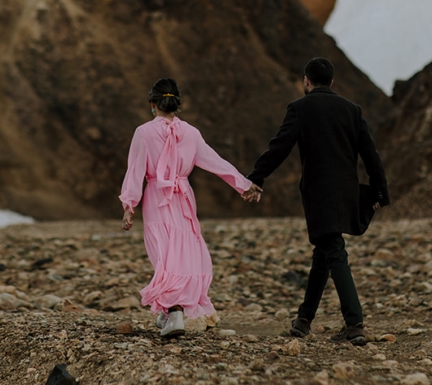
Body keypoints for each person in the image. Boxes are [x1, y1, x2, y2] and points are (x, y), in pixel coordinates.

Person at [247, 57, 388, 345]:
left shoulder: (299, 108)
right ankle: (303, 320)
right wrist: (379, 192)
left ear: (306, 81)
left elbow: (279, 147)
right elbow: (371, 155)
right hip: (346, 192)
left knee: (334, 250)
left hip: (318, 194)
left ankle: (355, 323)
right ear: (332, 82)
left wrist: (256, 178)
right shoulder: (352, 110)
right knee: (324, 253)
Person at [120, 78, 260, 338]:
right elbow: (215, 162)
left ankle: (174, 314)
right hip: (183, 198)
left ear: (153, 105)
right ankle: (169, 312)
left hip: (157, 197)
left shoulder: (143, 132)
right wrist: (244, 184)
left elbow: (135, 170)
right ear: (176, 105)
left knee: (164, 254)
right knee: (182, 253)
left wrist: (129, 206)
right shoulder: (192, 133)